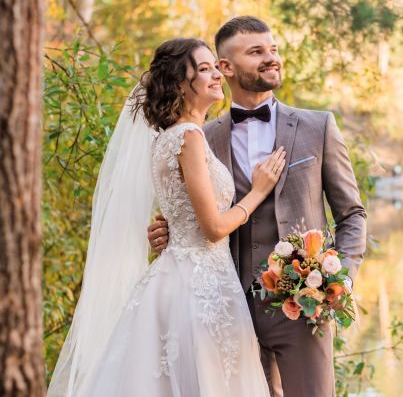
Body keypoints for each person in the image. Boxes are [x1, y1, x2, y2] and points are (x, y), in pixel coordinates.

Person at [47, 37, 285, 397]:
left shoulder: (169, 138)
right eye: (203, 69)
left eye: (214, 66)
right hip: (201, 286)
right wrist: (258, 191)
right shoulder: (189, 137)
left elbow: (182, 213)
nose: (216, 75)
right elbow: (212, 228)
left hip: (179, 277)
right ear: (179, 83)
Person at [149, 16, 367, 397]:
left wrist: (339, 280)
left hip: (301, 307)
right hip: (224, 307)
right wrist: (167, 231)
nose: (271, 58)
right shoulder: (201, 134)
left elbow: (352, 214)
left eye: (273, 49)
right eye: (257, 52)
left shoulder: (319, 127)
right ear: (225, 67)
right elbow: (195, 211)